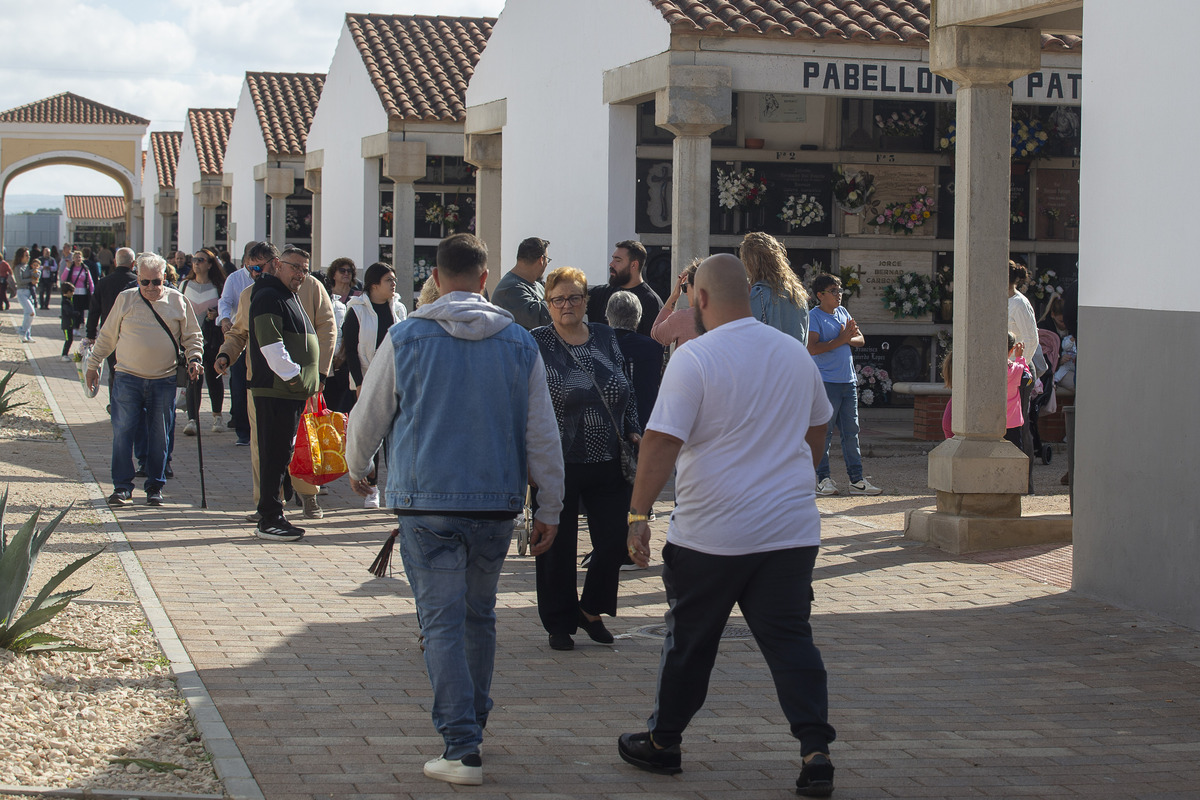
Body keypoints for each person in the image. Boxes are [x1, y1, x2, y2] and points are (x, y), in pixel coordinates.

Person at [344, 233, 564, 787]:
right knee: (479, 616)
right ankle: (474, 727)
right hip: (495, 500)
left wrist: (358, 464)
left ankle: (461, 743)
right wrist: (552, 505)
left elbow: (369, 411)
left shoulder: (407, 335)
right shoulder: (518, 342)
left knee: (440, 621)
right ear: (486, 278)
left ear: (436, 279)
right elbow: (543, 433)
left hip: (426, 500)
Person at [618, 253, 837, 797]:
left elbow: (661, 441)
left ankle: (664, 743)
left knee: (691, 642)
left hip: (711, 534)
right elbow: (819, 429)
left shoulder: (695, 358)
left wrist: (639, 514)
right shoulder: (793, 354)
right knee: (791, 642)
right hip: (788, 532)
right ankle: (815, 750)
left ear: (701, 298)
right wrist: (789, 479)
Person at [532, 266, 641, 652]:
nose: (567, 305)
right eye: (558, 299)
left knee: (615, 542)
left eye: (574, 297)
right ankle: (559, 623)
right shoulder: (537, 341)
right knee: (556, 547)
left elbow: (625, 386)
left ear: (586, 300)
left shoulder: (606, 335)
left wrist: (633, 428)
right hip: (558, 459)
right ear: (547, 303)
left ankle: (591, 608)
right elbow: (528, 401)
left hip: (610, 457)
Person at [216, 244, 336, 522]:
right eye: (252, 268)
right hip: (263, 383)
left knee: (305, 441)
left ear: (276, 263)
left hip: (305, 382)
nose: (258, 272)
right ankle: (267, 504)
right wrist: (226, 354)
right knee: (264, 446)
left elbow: (327, 327)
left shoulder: (311, 287)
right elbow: (239, 333)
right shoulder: (251, 295)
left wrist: (319, 373)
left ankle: (308, 495)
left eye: (262, 266)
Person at [85, 253, 202, 507]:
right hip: (128, 377)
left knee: (160, 436)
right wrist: (93, 365)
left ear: (165, 279)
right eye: (145, 282)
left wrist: (195, 358)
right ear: (137, 279)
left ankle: (155, 486)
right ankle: (122, 487)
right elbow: (106, 337)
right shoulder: (126, 299)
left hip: (164, 379)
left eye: (156, 282)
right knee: (122, 434)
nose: (150, 288)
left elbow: (193, 336)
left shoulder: (178, 301)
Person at [245, 245, 320, 541]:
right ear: (277, 264)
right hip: (277, 390)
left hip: (289, 391)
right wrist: (296, 380)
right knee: (274, 454)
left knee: (280, 454)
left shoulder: (287, 294)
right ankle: (269, 518)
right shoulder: (268, 295)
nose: (300, 273)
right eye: (295, 267)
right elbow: (271, 346)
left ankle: (274, 514)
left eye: (305, 269)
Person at [808, 273, 882, 496]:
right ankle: (824, 479)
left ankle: (857, 480)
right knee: (825, 433)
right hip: (825, 382)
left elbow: (860, 339)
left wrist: (847, 338)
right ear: (820, 295)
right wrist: (842, 339)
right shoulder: (814, 316)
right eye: (833, 291)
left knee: (852, 432)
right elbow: (812, 348)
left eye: (839, 290)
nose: (839, 295)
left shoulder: (843, 312)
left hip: (847, 381)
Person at [342, 262, 408, 507]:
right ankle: (371, 488)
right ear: (374, 285)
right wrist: (359, 383)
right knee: (370, 434)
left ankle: (396, 486)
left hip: (396, 378)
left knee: (395, 435)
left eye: (394, 280)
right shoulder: (357, 310)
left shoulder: (398, 308)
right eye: (389, 280)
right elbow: (350, 350)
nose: (394, 284)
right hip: (366, 379)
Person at [217, 241, 261, 445]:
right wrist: (224, 319)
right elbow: (225, 302)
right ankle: (243, 430)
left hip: (263, 340)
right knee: (239, 385)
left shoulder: (270, 278)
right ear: (245, 260)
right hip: (241, 337)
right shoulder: (235, 279)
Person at [179, 248, 227, 435]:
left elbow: (227, 310)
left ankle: (217, 416)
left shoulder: (219, 286)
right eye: (194, 260)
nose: (196, 263)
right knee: (193, 379)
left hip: (212, 339)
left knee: (214, 378)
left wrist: (216, 315)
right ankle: (192, 419)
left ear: (209, 264)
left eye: (201, 260)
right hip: (190, 340)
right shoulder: (184, 285)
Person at [84, 247, 140, 400]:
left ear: (115, 262)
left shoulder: (103, 283)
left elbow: (94, 311)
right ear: (134, 263)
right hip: (134, 334)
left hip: (109, 334)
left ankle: (114, 404)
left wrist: (91, 335)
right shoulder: (139, 283)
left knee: (114, 370)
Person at [606, 290, 662, 436]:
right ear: (638, 317)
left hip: (610, 426)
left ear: (608, 316)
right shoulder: (653, 348)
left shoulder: (601, 346)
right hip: (646, 423)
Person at [741, 231, 810, 344]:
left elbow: (747, 340)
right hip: (795, 359)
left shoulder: (757, 295)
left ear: (749, 263)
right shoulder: (797, 294)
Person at [586, 240, 663, 338]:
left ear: (634, 265)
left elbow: (653, 345)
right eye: (613, 259)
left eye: (618, 260)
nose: (611, 264)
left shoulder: (651, 302)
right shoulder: (600, 294)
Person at [322, 256, 359, 413]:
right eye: (342, 270)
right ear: (333, 274)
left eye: (349, 271)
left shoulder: (358, 296)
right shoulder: (326, 296)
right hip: (330, 356)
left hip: (348, 354)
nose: (346, 274)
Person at [491, 236, 552, 330]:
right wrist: (557, 294)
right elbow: (541, 319)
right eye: (547, 260)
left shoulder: (537, 284)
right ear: (541, 260)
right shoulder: (511, 290)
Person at [650, 260, 700, 349]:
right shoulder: (726, 317)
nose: (685, 293)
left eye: (685, 287)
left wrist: (674, 296)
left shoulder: (682, 318)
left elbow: (656, 334)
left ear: (695, 286)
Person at [61, 250, 96, 331]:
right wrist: (67, 268)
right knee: (74, 309)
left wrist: (92, 292)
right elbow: (63, 278)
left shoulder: (85, 269)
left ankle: (78, 327)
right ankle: (74, 327)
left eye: (79, 257)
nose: (78, 259)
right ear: (73, 259)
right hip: (73, 293)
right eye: (76, 257)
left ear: (82, 258)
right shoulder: (71, 268)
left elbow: (90, 282)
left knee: (81, 311)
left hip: (83, 293)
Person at [13, 249, 37, 342]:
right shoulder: (18, 268)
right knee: (30, 312)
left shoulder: (28, 267)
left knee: (29, 314)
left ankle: (27, 334)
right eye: (26, 255)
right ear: (21, 256)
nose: (28, 257)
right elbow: (19, 281)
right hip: (22, 292)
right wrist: (31, 280)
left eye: (29, 255)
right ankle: (22, 331)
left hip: (29, 292)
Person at [59, 282, 76, 360]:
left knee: (70, 339)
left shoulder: (69, 300)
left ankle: (66, 354)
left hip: (70, 324)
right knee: (68, 339)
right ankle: (64, 354)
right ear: (68, 292)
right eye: (72, 292)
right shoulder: (65, 301)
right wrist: (76, 313)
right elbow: (68, 312)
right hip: (66, 324)